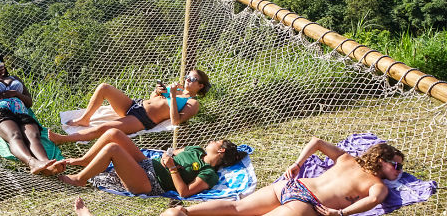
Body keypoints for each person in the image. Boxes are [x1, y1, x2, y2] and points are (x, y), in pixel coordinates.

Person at [159, 136, 405, 216]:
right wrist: (340, 213)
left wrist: (298, 164)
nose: (399, 172)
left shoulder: (346, 159)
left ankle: (183, 213)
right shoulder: (375, 183)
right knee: (238, 209)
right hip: (306, 201)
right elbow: (372, 200)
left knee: (237, 208)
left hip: (293, 186)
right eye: (397, 166)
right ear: (381, 161)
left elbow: (317, 142)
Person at [47, 127, 244, 197]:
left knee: (113, 150)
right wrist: (169, 156)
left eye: (216, 141)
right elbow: (173, 152)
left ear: (221, 150)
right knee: (114, 134)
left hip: (151, 183)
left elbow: (184, 192)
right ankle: (84, 161)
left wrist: (173, 169)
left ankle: (80, 179)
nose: (212, 140)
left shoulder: (208, 173)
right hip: (149, 163)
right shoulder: (197, 150)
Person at [48, 69, 210, 144]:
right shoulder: (179, 88)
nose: (188, 79)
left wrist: (173, 95)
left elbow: (175, 121)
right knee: (104, 87)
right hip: (136, 105)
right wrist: (158, 91)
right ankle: (84, 119)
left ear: (200, 86)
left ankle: (63, 139)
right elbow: (152, 99)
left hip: (142, 119)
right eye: (188, 76)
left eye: (192, 79)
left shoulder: (193, 103)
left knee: (105, 128)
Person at [0, 53, 54, 174]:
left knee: (33, 136)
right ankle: (32, 163)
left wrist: (16, 94)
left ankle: (47, 163)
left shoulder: (15, 78)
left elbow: (29, 102)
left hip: (21, 111)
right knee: (15, 135)